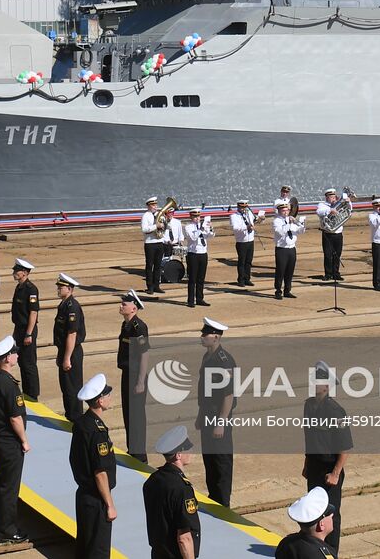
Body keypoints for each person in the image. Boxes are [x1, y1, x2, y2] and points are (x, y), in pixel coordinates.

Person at [0, 335, 31, 545]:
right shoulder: (10, 386)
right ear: (7, 358)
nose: (17, 355)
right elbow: (15, 417)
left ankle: (2, 527)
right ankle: (7, 530)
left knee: (2, 484)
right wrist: (24, 440)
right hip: (9, 442)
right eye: (14, 353)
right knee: (9, 488)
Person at [303, 361, 352, 553]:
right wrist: (307, 464)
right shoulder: (308, 406)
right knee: (313, 510)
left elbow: (345, 447)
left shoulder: (335, 411)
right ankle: (315, 548)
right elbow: (308, 437)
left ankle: (331, 551)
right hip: (314, 467)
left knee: (330, 513)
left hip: (329, 471)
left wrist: (335, 473)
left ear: (327, 386)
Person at [69, 373, 118, 559]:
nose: (110, 397)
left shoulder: (82, 424)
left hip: (83, 495)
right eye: (107, 395)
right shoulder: (97, 432)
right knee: (98, 549)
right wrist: (109, 504)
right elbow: (100, 472)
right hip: (97, 499)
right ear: (99, 401)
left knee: (84, 545)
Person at [143, 425, 200, 559]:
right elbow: (184, 537)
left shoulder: (153, 481)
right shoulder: (182, 488)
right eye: (187, 448)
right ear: (178, 455)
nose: (191, 451)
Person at [196, 317, 235, 506]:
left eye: (206, 334)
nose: (202, 336)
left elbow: (228, 395)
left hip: (219, 418)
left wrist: (221, 422)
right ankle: (214, 498)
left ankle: (223, 503)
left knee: (221, 463)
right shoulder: (207, 357)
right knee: (209, 460)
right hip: (207, 415)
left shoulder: (224, 361)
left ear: (216, 337)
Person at [117, 290, 149, 462]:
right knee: (128, 413)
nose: (121, 306)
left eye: (124, 304)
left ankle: (140, 455)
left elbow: (144, 355)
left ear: (134, 308)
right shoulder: (126, 325)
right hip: (127, 374)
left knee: (136, 416)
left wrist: (141, 381)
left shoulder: (139, 327)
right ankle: (132, 450)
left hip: (137, 376)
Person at [53, 273, 86, 420]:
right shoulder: (64, 305)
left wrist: (66, 358)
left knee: (72, 387)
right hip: (65, 350)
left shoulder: (72, 307)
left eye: (61, 287)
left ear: (70, 289)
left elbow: (72, 334)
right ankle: (70, 416)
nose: (58, 289)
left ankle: (75, 418)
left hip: (72, 352)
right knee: (66, 387)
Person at [276, 487, 337, 559]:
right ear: (321, 524)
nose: (332, 515)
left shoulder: (286, 543)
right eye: (329, 514)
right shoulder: (322, 555)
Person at [10, 258, 41, 400]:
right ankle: (27, 392)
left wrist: (28, 333)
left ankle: (33, 394)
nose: (14, 273)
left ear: (24, 273)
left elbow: (33, 313)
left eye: (17, 271)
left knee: (29, 363)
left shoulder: (31, 290)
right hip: (19, 329)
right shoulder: (19, 287)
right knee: (22, 361)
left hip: (27, 330)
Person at [272, 198, 304, 299]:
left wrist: (299, 223)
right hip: (282, 249)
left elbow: (301, 231)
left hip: (292, 248)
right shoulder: (276, 221)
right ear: (279, 211)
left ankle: (287, 290)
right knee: (280, 271)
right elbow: (280, 232)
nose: (286, 212)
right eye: (283, 210)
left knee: (290, 271)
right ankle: (278, 291)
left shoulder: (291, 219)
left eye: (287, 210)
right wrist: (290, 224)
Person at [183, 208, 214, 308]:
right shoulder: (188, 227)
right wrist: (200, 230)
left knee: (201, 278)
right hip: (193, 254)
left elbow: (210, 236)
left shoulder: (203, 225)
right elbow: (192, 238)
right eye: (195, 217)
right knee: (192, 278)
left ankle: (200, 298)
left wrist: (210, 229)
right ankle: (191, 300)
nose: (197, 218)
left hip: (203, 253)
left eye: (198, 216)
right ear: (191, 217)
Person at [315, 188, 346, 282]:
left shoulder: (339, 205)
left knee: (337, 254)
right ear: (327, 197)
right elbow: (319, 212)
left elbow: (349, 210)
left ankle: (336, 273)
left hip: (338, 233)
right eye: (331, 197)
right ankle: (328, 274)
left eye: (334, 197)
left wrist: (348, 202)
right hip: (328, 234)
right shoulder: (322, 205)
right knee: (328, 255)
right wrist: (330, 210)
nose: (333, 198)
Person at [229, 199, 261, 287]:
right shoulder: (234, 216)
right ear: (238, 207)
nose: (244, 209)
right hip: (241, 241)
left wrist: (260, 219)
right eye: (242, 207)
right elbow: (236, 228)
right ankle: (241, 279)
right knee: (242, 261)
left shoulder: (249, 213)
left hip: (250, 240)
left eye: (245, 207)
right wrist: (246, 227)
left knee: (249, 261)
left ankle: (247, 278)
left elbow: (254, 221)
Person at [141, 197, 166, 294]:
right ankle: (150, 287)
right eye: (153, 205)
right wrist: (156, 226)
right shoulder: (145, 216)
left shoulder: (159, 215)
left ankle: (157, 285)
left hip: (159, 242)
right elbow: (144, 229)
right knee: (149, 265)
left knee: (158, 266)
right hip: (150, 243)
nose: (155, 207)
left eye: (156, 205)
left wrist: (164, 224)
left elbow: (164, 227)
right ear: (148, 206)